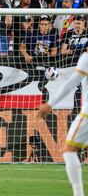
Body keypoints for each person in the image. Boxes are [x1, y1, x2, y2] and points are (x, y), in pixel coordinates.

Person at [37, 49, 88, 196]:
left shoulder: (86, 58)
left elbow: (72, 82)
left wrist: (50, 103)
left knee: (69, 150)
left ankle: (78, 193)